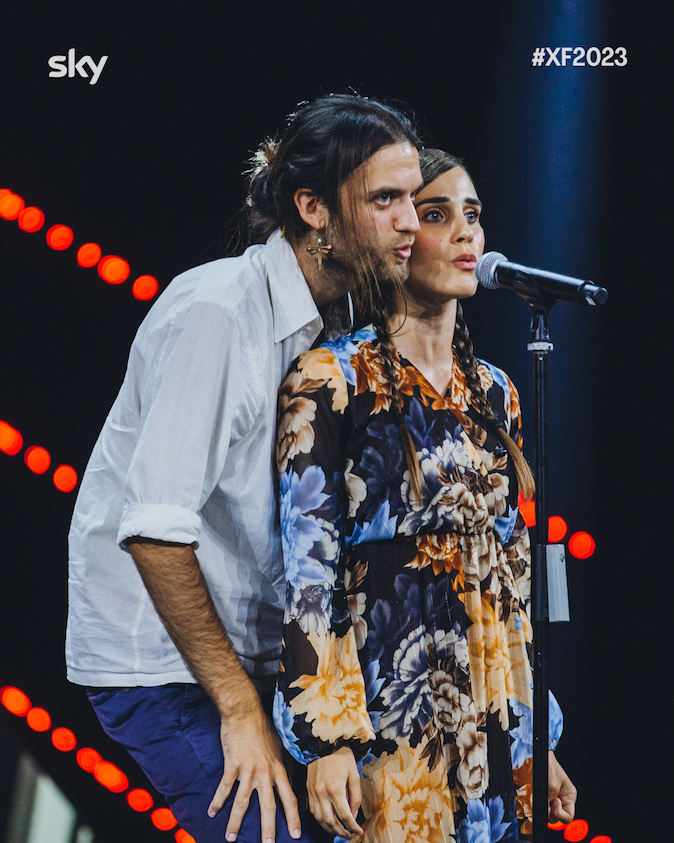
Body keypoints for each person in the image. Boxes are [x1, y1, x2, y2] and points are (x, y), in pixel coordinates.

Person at [65, 93, 423, 843]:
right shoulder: (221, 311)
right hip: (163, 667)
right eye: (385, 199)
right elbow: (154, 530)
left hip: (255, 656)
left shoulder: (340, 325)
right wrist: (240, 711)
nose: (411, 223)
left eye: (413, 200)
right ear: (313, 209)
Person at [273, 148, 577, 841]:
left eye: (473, 214)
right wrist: (330, 739)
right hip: (391, 711)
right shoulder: (330, 379)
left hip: (492, 712)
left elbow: (513, 576)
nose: (467, 232)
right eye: (439, 214)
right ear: (401, 234)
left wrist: (541, 738)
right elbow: (308, 571)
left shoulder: (496, 390)